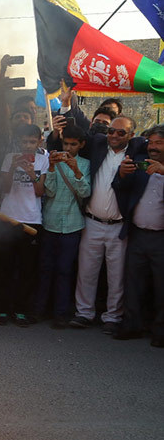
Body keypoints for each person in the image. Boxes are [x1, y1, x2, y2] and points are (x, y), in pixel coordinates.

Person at [69, 115, 146, 333]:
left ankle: (113, 317)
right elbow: (81, 128)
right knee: (86, 271)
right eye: (111, 130)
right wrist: (67, 104)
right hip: (92, 221)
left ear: (131, 135)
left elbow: (147, 141)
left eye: (121, 132)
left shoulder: (137, 152)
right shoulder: (98, 145)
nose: (113, 135)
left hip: (119, 226)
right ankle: (83, 313)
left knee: (117, 275)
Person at [0, 123, 49, 326]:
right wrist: (14, 167)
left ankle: (22, 310)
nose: (27, 146)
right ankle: (3, 310)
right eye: (24, 141)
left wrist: (32, 173)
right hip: (8, 218)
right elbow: (4, 188)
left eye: (32, 141)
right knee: (4, 267)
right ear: (19, 141)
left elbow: (40, 192)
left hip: (32, 220)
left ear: (39, 141)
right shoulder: (10, 158)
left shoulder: (44, 159)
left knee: (27, 269)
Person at [34, 126, 90, 329]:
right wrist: (50, 168)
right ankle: (40, 310)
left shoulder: (85, 164)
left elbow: (85, 193)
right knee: (45, 268)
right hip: (51, 223)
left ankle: (60, 313)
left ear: (81, 145)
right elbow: (49, 192)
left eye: (73, 144)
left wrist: (75, 170)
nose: (68, 147)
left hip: (73, 225)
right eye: (66, 143)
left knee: (65, 270)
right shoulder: (53, 161)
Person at [112, 125, 164, 346]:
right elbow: (120, 186)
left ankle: (160, 331)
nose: (153, 147)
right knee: (133, 283)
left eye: (159, 143)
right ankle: (131, 325)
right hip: (138, 235)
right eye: (151, 142)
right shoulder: (140, 162)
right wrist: (122, 174)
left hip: (161, 239)